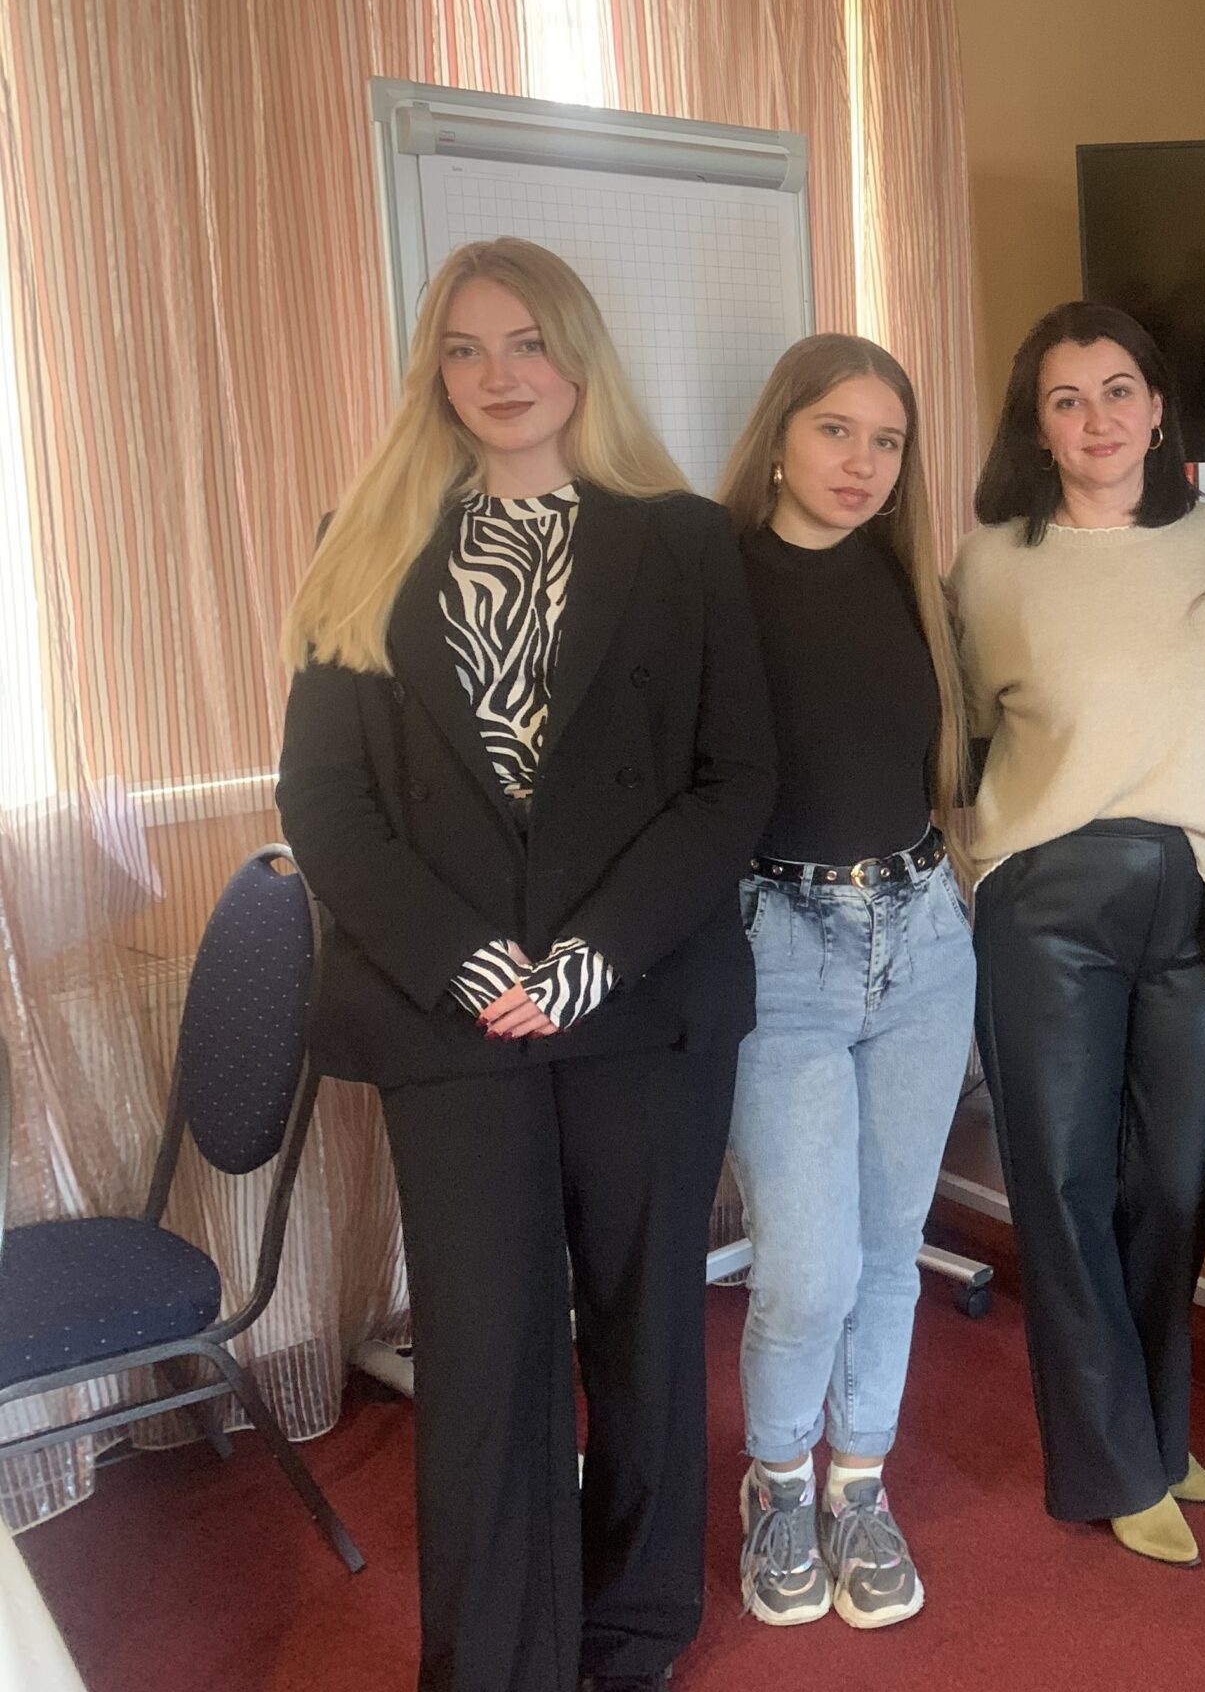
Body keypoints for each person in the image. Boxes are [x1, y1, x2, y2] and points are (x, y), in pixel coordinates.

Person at [275, 238, 774, 1692]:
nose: (500, 375)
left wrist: (591, 957)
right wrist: (465, 959)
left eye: (528, 342)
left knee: (645, 1334)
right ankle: (495, 1663)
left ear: (579, 355)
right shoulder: (363, 539)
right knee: (485, 1354)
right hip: (453, 1016)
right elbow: (325, 800)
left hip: (640, 1000)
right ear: (434, 372)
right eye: (466, 348)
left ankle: (633, 1634)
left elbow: (733, 781)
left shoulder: (684, 542)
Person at [951, 303, 1205, 1567]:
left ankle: (1155, 1429)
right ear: (1036, 425)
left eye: (1118, 390)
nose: (1096, 420)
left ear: (1158, 408)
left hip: (1192, 895)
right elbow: (970, 732)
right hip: (1047, 906)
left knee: (1177, 1178)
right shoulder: (988, 563)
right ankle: (1107, 1462)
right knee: (1064, 1187)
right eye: (1066, 399)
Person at [712, 336, 976, 1631]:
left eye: (887, 440)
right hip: (781, 951)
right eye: (835, 431)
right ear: (778, 435)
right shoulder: (711, 581)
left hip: (922, 937)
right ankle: (776, 1483)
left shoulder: (904, 579)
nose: (862, 462)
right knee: (806, 1269)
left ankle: (857, 1483)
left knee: (887, 1248)